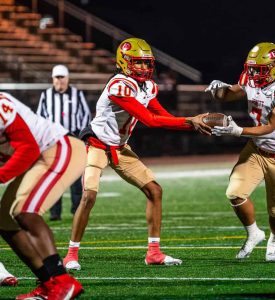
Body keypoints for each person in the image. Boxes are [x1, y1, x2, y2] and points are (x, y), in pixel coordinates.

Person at [63, 37, 210, 270]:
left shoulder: (148, 86)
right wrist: (190, 122)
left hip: (120, 148)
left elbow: (164, 116)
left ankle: (154, 253)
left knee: (155, 190)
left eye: (145, 63)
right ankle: (71, 255)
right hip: (97, 145)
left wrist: (193, 124)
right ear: (123, 63)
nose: (143, 68)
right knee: (89, 195)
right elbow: (150, 120)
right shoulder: (118, 85)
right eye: (137, 63)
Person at [205, 42, 275, 262]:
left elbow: (272, 129)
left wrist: (237, 130)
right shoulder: (250, 77)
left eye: (261, 69)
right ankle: (254, 233)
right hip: (256, 150)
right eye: (252, 68)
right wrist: (218, 89)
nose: (255, 73)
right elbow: (228, 95)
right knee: (235, 193)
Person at [0, 91, 86, 299]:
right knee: (3, 219)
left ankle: (62, 281)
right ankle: (49, 284)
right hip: (37, 158)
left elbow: (28, 148)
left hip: (58, 148)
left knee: (25, 211)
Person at [37, 64, 91, 221]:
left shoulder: (77, 94)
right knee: (54, 177)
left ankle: (76, 210)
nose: (59, 80)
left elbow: (85, 116)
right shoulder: (46, 96)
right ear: (52, 79)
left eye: (62, 77)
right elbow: (40, 118)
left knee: (75, 177)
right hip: (53, 142)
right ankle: (55, 212)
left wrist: (80, 137)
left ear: (67, 78)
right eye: (57, 77)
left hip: (73, 139)